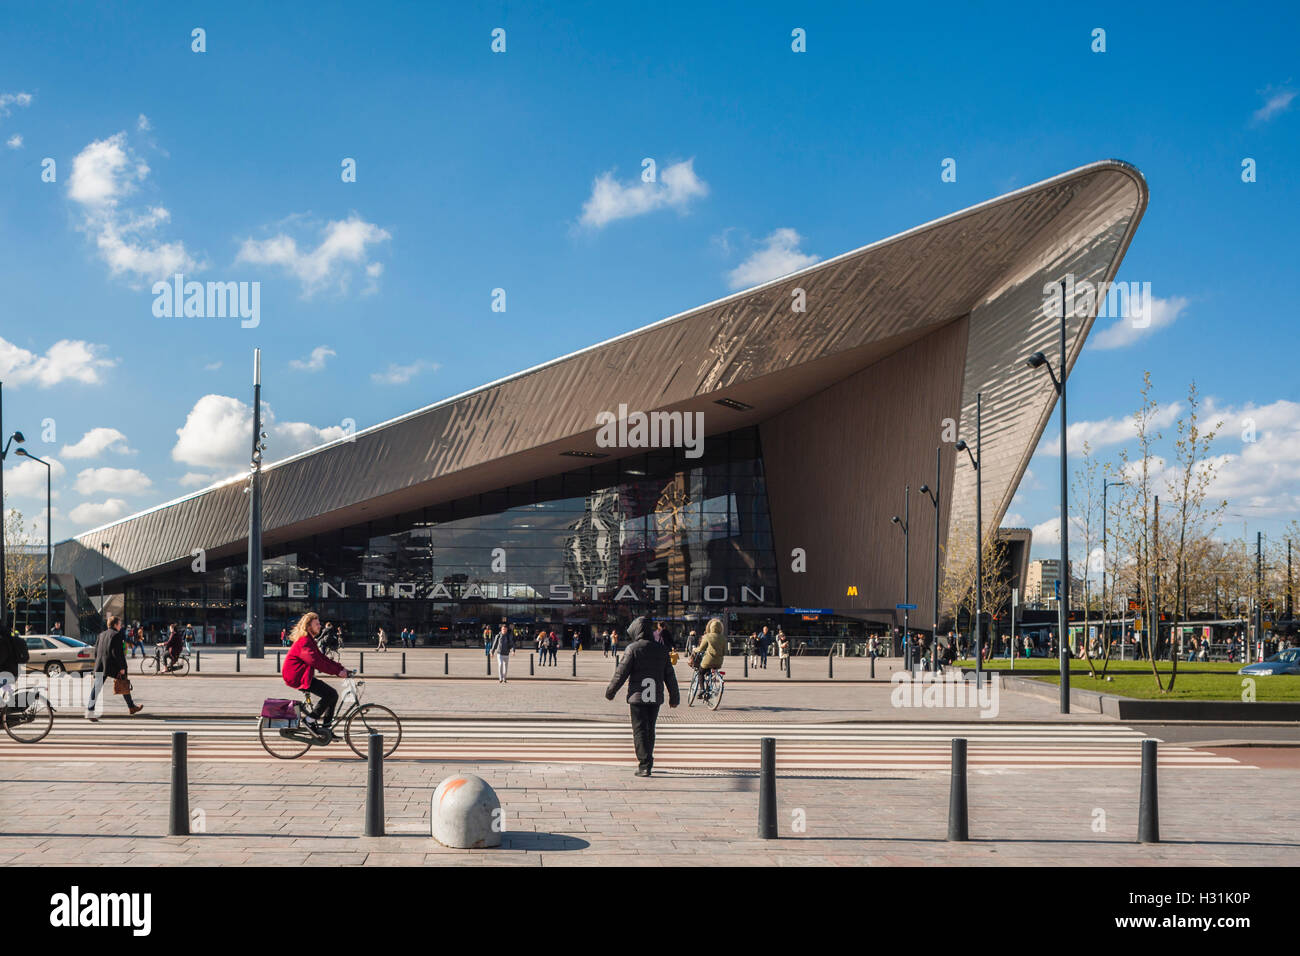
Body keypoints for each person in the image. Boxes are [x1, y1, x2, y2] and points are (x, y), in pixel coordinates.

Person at [605, 616, 679, 777]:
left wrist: (611, 691)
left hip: (637, 698)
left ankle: (644, 765)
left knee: (639, 730)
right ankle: (648, 761)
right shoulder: (661, 650)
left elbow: (621, 673)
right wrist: (674, 697)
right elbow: (670, 676)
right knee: (650, 729)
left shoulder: (633, 649)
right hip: (654, 697)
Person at [281, 611, 351, 740]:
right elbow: (316, 662)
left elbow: (322, 658)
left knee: (333, 695)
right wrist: (337, 672)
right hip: (296, 676)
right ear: (309, 627)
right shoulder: (304, 642)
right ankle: (309, 720)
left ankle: (326, 729)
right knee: (329, 694)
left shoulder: (309, 640)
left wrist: (341, 668)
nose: (320, 626)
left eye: (319, 623)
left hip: (303, 674)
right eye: (317, 624)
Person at [87, 616, 143, 720]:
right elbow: (117, 653)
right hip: (112, 665)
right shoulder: (116, 635)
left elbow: (96, 651)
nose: (121, 626)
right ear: (115, 625)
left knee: (97, 688)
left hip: (100, 665)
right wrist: (122, 667)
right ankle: (131, 707)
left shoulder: (101, 634)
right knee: (123, 682)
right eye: (120, 624)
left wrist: (97, 663)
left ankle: (90, 710)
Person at [691, 618, 726, 691]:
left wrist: (694, 649)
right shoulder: (723, 638)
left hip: (708, 660)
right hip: (719, 662)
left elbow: (701, 649)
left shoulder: (707, 636)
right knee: (708, 672)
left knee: (701, 672)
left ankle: (702, 690)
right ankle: (708, 688)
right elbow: (724, 652)